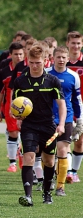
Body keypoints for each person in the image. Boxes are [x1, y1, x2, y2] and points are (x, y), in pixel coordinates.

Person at [13, 44, 66, 206]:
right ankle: (28, 196)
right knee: (28, 157)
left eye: (38, 63)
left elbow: (61, 104)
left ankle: (47, 193)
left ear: (45, 61)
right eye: (32, 63)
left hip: (48, 125)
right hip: (29, 125)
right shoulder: (20, 81)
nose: (35, 66)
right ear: (28, 62)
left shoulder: (52, 81)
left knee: (49, 161)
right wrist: (17, 116)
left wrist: (61, 124)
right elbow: (15, 104)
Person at [46, 46, 83, 196]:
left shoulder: (73, 76)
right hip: (47, 119)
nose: (61, 60)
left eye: (63, 57)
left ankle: (60, 187)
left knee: (62, 150)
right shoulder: (46, 74)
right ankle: (48, 180)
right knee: (48, 154)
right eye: (58, 57)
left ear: (68, 59)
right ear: (53, 58)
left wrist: (79, 119)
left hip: (66, 119)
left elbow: (77, 100)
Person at [0, 42, 24, 172]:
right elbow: (0, 92)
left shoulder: (29, 69)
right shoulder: (5, 70)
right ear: (10, 55)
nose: (18, 56)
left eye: (21, 54)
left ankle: (24, 156)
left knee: (27, 133)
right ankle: (13, 163)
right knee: (13, 132)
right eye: (16, 54)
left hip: (28, 106)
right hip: (10, 106)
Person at [66, 31, 83, 183]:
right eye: (73, 43)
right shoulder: (62, 62)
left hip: (81, 108)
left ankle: (73, 172)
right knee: (65, 140)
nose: (76, 46)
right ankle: (66, 171)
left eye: (78, 43)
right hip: (65, 107)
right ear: (67, 44)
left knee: (79, 141)